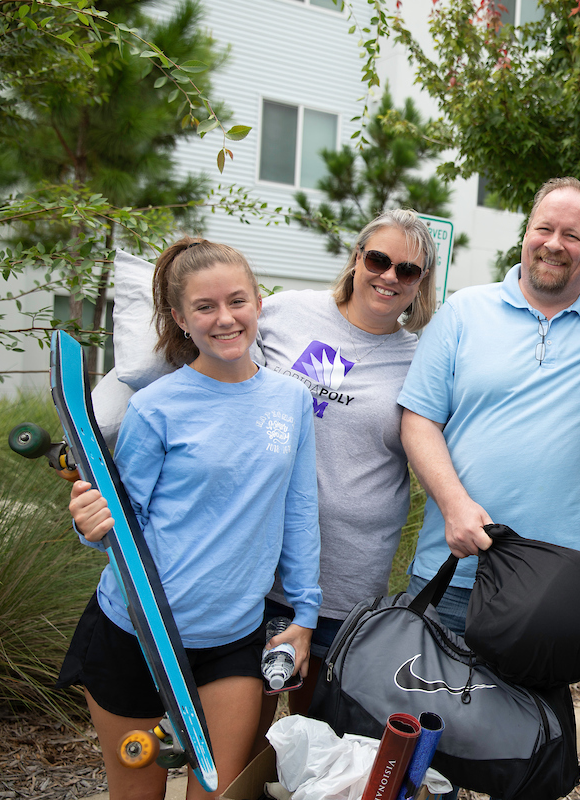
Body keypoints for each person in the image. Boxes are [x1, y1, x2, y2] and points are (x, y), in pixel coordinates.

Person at [63, 238, 321, 800]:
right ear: (180, 318)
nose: (224, 318)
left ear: (259, 302)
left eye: (237, 301)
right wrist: (89, 525)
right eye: (205, 307)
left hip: (231, 635)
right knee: (137, 794)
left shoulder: (291, 401)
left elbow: (298, 513)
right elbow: (121, 523)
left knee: (218, 793)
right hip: (138, 629)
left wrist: (304, 613)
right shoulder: (157, 407)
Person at [397, 177, 580, 635]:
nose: (554, 245)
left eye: (572, 235)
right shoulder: (462, 313)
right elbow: (419, 420)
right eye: (544, 229)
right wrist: (454, 505)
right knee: (429, 707)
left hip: (561, 588)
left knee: (538, 711)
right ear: (526, 234)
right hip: (456, 571)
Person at [254, 209, 436, 718]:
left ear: (421, 284)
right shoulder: (286, 311)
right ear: (357, 258)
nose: (389, 276)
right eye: (378, 258)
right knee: (244, 736)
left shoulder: (421, 358)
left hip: (347, 576)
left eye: (408, 270)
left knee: (316, 741)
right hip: (258, 562)